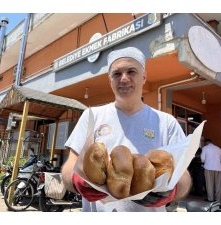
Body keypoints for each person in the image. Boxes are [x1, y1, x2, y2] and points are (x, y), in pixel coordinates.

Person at [61, 46, 192, 212]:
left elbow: (184, 176)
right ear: (110, 80)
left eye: (131, 72)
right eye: (116, 74)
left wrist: (174, 191)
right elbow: (69, 167)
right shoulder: (91, 116)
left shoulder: (167, 123)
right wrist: (75, 181)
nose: (124, 79)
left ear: (144, 77)